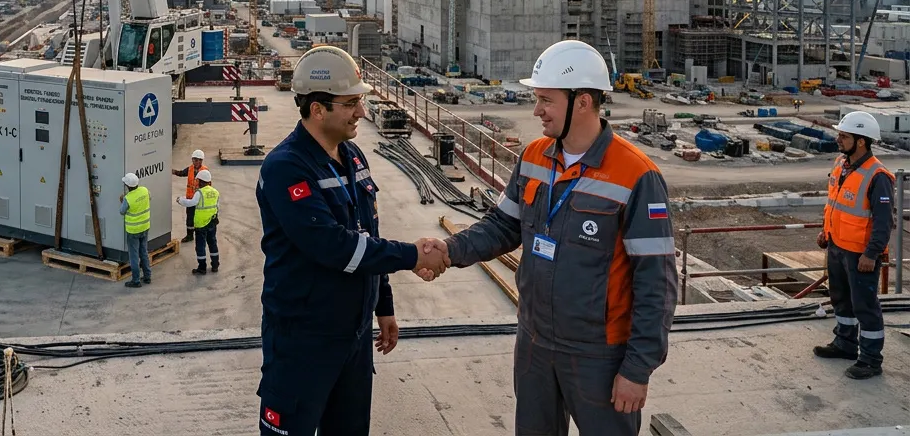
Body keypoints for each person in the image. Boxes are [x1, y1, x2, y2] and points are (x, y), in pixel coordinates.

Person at [430, 40, 677, 436]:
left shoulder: (636, 175)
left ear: (582, 101)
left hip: (599, 353)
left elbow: (656, 284)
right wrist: (449, 250)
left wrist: (637, 368)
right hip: (534, 342)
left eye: (546, 99)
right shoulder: (534, 156)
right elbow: (502, 226)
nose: (536, 110)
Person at [256, 45, 451, 436]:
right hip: (303, 341)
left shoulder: (354, 156)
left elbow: (368, 233)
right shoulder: (286, 168)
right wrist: (413, 255)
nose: (362, 112)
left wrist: (383, 305)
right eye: (351, 103)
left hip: (354, 338)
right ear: (317, 109)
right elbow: (335, 246)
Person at [814, 110, 894, 379]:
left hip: (861, 254)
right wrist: (826, 232)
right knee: (841, 299)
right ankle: (845, 343)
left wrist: (871, 253)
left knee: (865, 306)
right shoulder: (841, 164)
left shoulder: (878, 176)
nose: (838, 139)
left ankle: (871, 359)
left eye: (844, 136)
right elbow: (835, 203)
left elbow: (884, 223)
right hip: (837, 247)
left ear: (861, 141)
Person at [177, 169, 220, 274]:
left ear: (201, 181)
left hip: (201, 225)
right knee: (212, 243)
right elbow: (217, 206)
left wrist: (181, 200)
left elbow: (192, 203)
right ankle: (215, 265)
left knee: (200, 246)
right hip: (212, 222)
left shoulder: (199, 193)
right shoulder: (216, 192)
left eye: (198, 181)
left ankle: (202, 267)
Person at [119, 172, 152, 288]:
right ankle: (147, 276)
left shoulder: (128, 198)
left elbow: (122, 211)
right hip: (145, 227)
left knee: (133, 256)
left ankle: (136, 280)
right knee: (144, 252)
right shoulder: (144, 190)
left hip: (133, 230)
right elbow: (149, 198)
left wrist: (122, 200)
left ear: (128, 186)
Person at [173, 149, 208, 243]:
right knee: (190, 218)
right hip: (190, 198)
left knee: (200, 218)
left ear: (202, 160)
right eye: (195, 160)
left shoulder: (204, 171)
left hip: (200, 199)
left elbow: (208, 186)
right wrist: (173, 171)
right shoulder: (190, 169)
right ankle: (189, 235)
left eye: (199, 160)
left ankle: (201, 234)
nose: (196, 162)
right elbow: (181, 173)